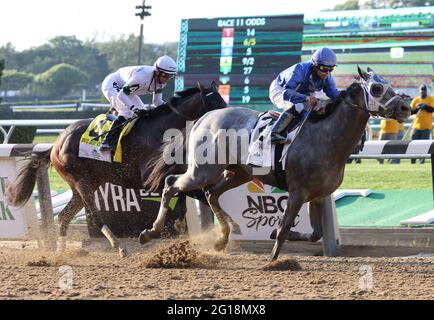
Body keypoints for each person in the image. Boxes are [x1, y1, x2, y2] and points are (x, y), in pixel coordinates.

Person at [99, 55, 177, 151]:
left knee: (143, 112)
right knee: (127, 111)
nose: (167, 79)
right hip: (113, 84)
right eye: (166, 75)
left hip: (126, 90)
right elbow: (121, 95)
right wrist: (135, 109)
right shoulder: (141, 77)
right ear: (157, 72)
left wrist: (172, 108)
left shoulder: (160, 82)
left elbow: (157, 102)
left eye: (170, 76)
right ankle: (107, 141)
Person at [268, 47, 340, 144]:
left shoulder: (327, 77)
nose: (327, 72)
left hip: (301, 92)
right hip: (279, 89)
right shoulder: (300, 69)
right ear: (315, 65)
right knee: (299, 106)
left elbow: (335, 95)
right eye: (324, 68)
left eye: (331, 69)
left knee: (317, 108)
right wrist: (306, 98)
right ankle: (274, 133)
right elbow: (286, 93)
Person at [410, 84, 434, 164]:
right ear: (419, 90)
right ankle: (413, 161)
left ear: (426, 91)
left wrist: (424, 106)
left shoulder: (431, 99)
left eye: (424, 90)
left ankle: (422, 161)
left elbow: (431, 110)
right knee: (413, 145)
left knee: (424, 146)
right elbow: (411, 112)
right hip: (416, 126)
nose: (422, 92)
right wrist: (417, 108)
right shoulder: (416, 100)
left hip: (426, 127)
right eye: (421, 90)